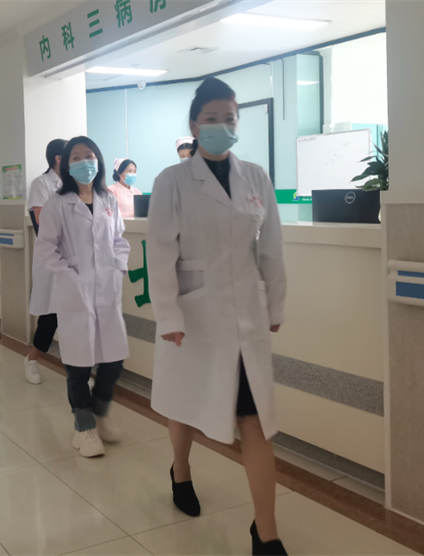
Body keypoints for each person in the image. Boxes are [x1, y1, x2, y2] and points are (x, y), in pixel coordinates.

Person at [147, 78, 288, 555]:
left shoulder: (256, 177)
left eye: (229, 118)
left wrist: (275, 305)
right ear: (194, 125)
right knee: (186, 402)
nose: (221, 126)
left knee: (254, 417)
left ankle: (265, 532)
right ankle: (181, 470)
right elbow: (160, 254)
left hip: (247, 313)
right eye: (211, 119)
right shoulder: (172, 180)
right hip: (195, 314)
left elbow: (271, 249)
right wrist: (168, 315)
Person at [33, 136, 130, 458]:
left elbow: (119, 240)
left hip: (107, 289)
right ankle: (84, 426)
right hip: (75, 289)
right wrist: (69, 276)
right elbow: (46, 248)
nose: (84, 162)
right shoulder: (57, 203)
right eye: (76, 157)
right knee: (78, 363)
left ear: (98, 160)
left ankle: (100, 411)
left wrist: (118, 267)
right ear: (66, 164)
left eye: (89, 155)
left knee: (114, 358)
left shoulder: (108, 199)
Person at [24, 138, 67, 385]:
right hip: (51, 259)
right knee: (50, 316)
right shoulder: (41, 184)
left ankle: (77, 371)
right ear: (58, 158)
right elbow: (41, 223)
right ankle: (32, 359)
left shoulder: (75, 184)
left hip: (74, 259)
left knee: (74, 314)